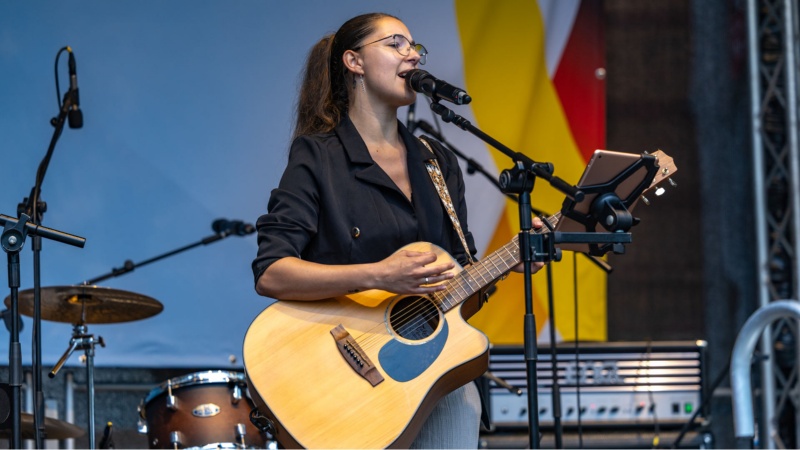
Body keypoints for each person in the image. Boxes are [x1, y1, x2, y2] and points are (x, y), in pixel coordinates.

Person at [252, 12, 543, 448]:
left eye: (414, 47)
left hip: (435, 379)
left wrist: (509, 263)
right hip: (338, 378)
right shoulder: (317, 157)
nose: (412, 55)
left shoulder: (438, 162)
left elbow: (454, 294)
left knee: (463, 399)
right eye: (395, 44)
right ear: (354, 62)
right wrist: (377, 275)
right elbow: (271, 272)